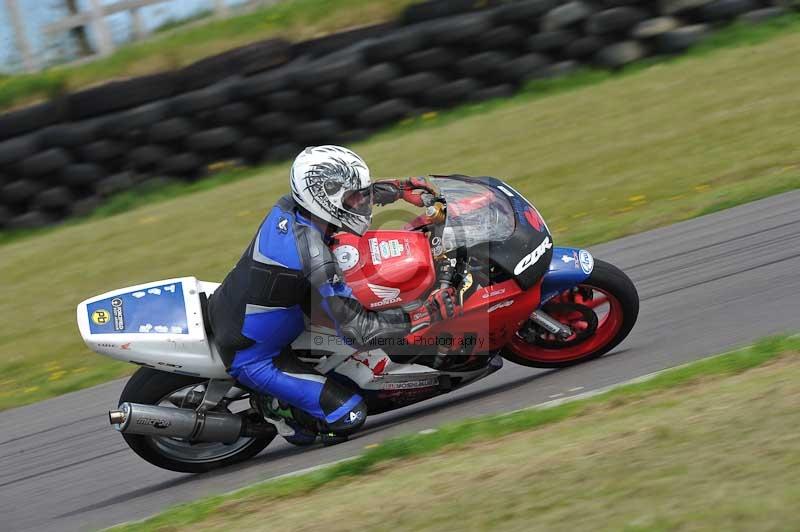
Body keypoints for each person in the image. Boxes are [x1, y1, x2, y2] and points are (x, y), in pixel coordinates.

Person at [207, 145, 458, 441]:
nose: (361, 203)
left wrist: (399, 189)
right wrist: (425, 313)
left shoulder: (292, 205)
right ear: (322, 198)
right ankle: (276, 407)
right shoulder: (315, 257)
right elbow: (359, 332)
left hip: (246, 305)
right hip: (253, 354)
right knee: (350, 415)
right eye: (354, 196)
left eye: (358, 194)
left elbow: (348, 201)